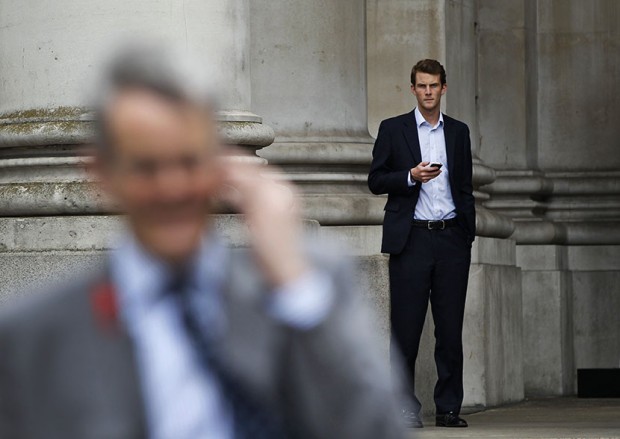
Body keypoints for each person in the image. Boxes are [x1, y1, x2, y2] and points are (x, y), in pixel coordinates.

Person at [0, 44, 406, 439]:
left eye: (189, 161)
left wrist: (293, 283)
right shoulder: (35, 335)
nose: (172, 187)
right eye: (146, 167)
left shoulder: (305, 291)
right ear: (101, 173)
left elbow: (376, 430)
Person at [368, 59, 475, 429]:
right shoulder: (392, 129)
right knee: (406, 329)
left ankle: (448, 408)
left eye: (434, 86)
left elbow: (465, 188)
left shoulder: (459, 132)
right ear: (412, 89)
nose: (428, 92)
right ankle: (403, 409)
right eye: (422, 86)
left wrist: (467, 234)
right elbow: (376, 180)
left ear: (444, 88)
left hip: (451, 239)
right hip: (411, 238)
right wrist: (410, 176)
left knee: (449, 330)